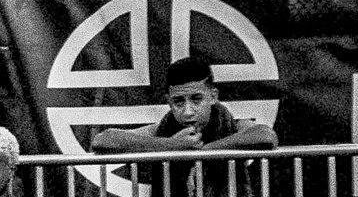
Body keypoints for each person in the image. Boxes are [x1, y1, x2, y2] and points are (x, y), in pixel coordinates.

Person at [79, 54, 274, 154]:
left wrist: (203, 151)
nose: (188, 111)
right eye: (178, 101)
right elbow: (102, 140)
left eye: (196, 99)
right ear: (168, 102)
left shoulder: (234, 126)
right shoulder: (163, 130)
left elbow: (266, 136)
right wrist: (172, 144)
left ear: (213, 97)